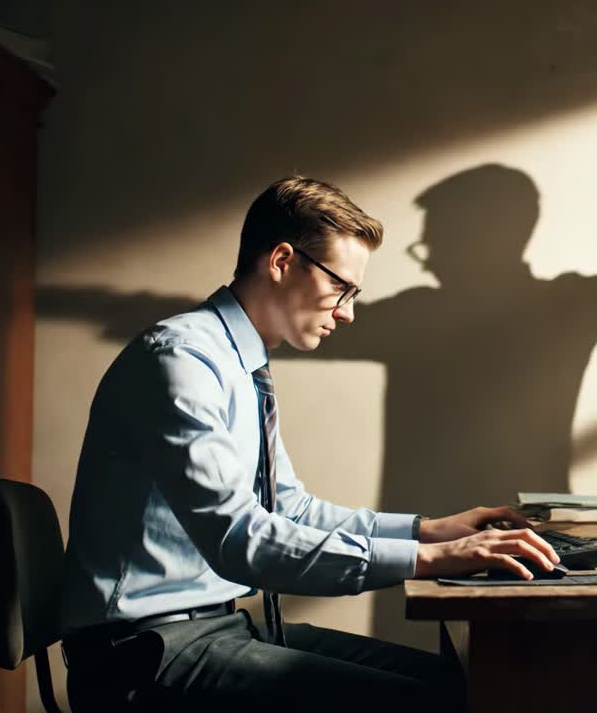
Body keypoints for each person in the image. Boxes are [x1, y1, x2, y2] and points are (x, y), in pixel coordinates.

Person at [58, 177, 561, 711]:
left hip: (213, 627)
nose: (347, 311)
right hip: (140, 653)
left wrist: (428, 530)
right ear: (280, 261)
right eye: (342, 287)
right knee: (428, 704)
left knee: (457, 686)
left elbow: (288, 507)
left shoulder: (237, 362)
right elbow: (239, 539)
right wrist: (429, 558)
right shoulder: (182, 361)